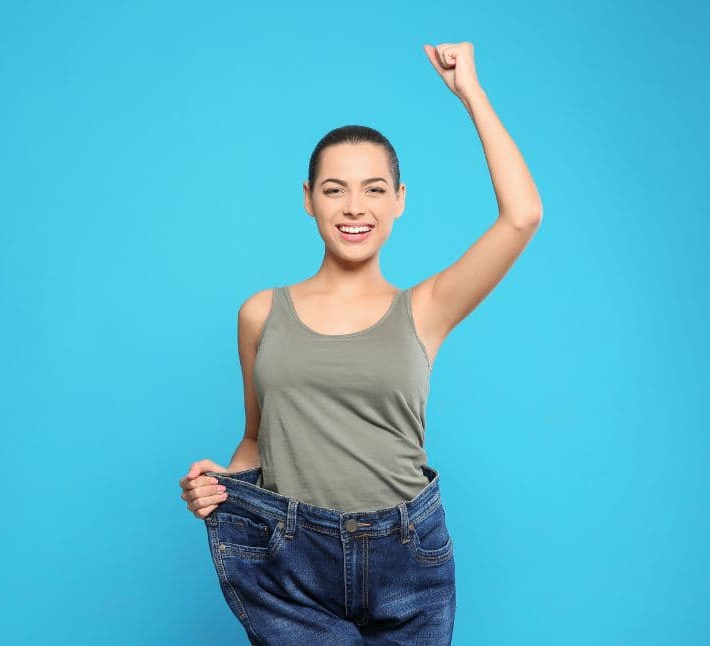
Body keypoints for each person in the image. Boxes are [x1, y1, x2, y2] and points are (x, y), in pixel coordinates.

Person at [178, 41, 542, 644]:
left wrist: (470, 93)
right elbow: (256, 437)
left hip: (408, 560)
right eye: (334, 189)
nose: (354, 207)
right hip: (288, 560)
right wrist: (219, 487)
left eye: (374, 189)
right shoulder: (260, 313)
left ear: (399, 201)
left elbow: (522, 216)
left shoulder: (426, 309)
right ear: (308, 198)